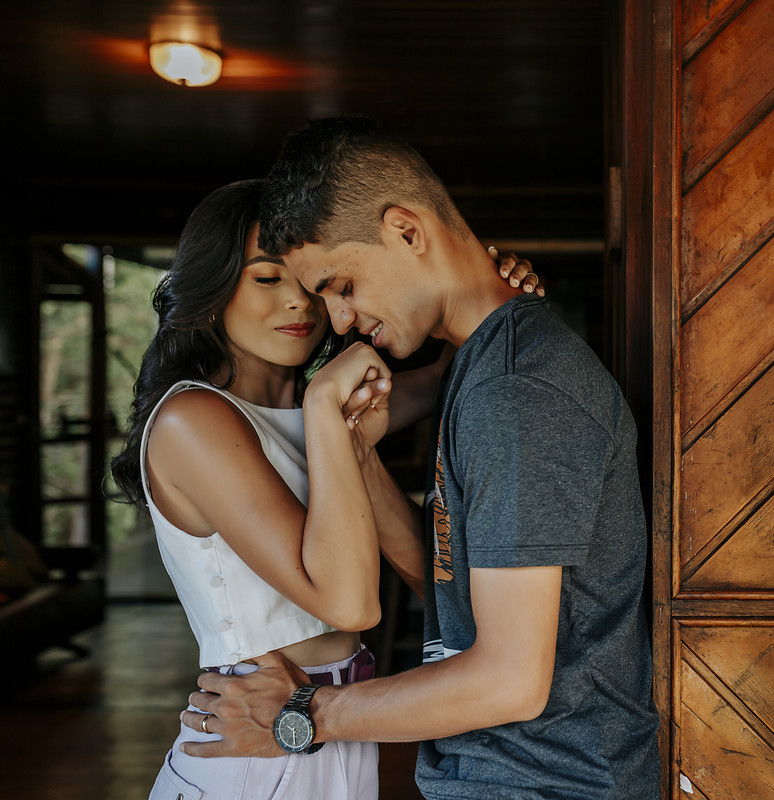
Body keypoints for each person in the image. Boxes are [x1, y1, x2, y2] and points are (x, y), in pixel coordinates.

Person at [181, 117, 661, 799]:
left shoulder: (517, 390)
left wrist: (302, 717)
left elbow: (509, 680)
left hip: (545, 784)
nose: (338, 321)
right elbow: (452, 593)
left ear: (407, 231)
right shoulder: (478, 370)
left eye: (340, 284)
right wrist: (356, 453)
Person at [109, 178, 542, 800]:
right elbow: (351, 604)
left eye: (311, 283)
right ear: (212, 288)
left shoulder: (320, 409)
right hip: (251, 741)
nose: (299, 305)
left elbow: (454, 376)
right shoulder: (193, 420)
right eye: (265, 279)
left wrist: (492, 293)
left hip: (328, 721)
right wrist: (323, 402)